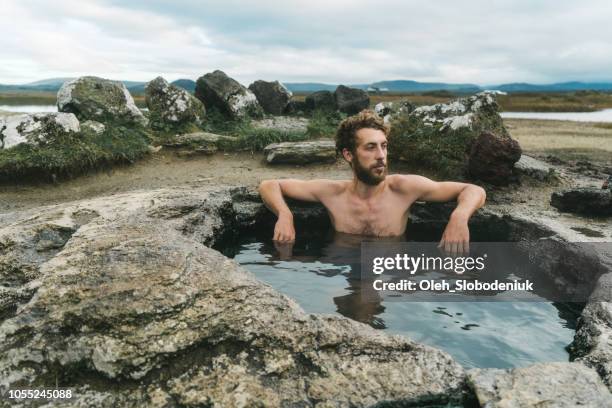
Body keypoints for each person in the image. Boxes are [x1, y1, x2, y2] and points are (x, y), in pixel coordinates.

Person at [258, 109, 486, 254]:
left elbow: (473, 190)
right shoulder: (332, 192)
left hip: (389, 274)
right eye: (370, 147)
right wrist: (285, 215)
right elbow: (269, 184)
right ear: (349, 154)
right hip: (342, 266)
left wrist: (459, 217)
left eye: (384, 146)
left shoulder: (405, 188)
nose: (381, 155)